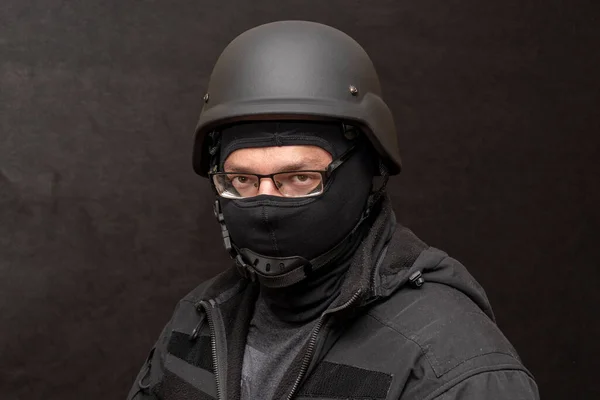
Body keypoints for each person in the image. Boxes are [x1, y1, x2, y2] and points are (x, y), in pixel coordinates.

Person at [127, 21, 539, 400]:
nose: (267, 205)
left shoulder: (449, 361)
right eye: (243, 180)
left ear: (368, 174)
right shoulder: (197, 321)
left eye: (301, 177)